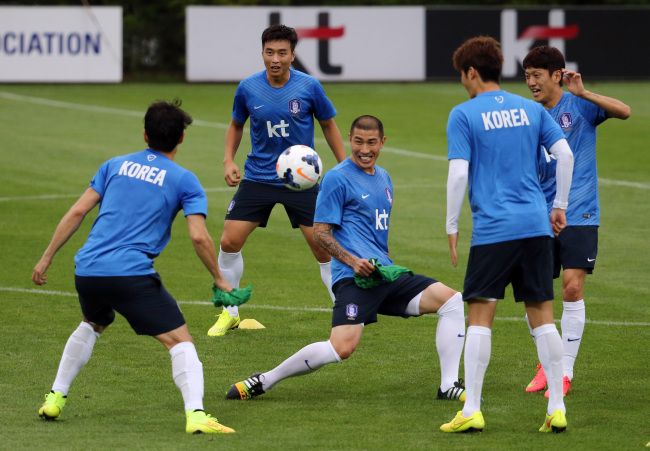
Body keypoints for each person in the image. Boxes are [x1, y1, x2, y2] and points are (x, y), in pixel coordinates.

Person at [224, 115, 467, 404]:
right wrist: (352, 261)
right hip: (353, 277)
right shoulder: (337, 178)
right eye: (359, 142)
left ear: (382, 143)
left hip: (384, 273)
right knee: (342, 348)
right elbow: (321, 233)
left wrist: (382, 262)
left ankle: (448, 385)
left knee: (451, 301)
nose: (365, 150)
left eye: (372, 143)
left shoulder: (385, 178)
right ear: (349, 141)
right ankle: (264, 380)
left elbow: (378, 233)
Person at [32, 99, 238, 434]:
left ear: (144, 133)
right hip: (130, 274)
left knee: (92, 322)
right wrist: (219, 278)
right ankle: (197, 416)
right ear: (181, 139)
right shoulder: (185, 180)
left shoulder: (113, 165)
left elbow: (77, 212)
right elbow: (199, 238)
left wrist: (47, 256)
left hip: (87, 270)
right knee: (180, 342)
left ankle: (55, 397)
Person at [440, 37, 575, 434]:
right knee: (543, 318)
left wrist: (451, 224)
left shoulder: (463, 113)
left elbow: (459, 173)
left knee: (481, 316)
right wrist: (560, 206)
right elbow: (565, 155)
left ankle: (473, 409)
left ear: (471, 72)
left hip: (494, 231)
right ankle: (557, 407)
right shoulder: (531, 110)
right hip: (536, 227)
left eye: (461, 76)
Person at [208, 24, 346, 337]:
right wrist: (228, 159)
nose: (275, 58)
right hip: (258, 176)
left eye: (282, 52)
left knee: (324, 248)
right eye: (269, 52)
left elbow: (328, 125)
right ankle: (229, 313)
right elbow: (235, 125)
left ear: (293, 55)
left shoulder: (309, 87)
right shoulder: (247, 88)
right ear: (262, 53)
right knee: (229, 242)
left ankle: (344, 310)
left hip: (301, 180)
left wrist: (345, 166)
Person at [522, 45, 631, 397]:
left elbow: (625, 112)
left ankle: (564, 371)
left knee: (571, 286)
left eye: (537, 75)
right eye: (527, 77)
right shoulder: (527, 115)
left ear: (557, 74)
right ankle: (546, 361)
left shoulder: (579, 105)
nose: (531, 83)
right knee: (535, 291)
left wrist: (583, 92)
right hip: (537, 213)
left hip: (580, 211)